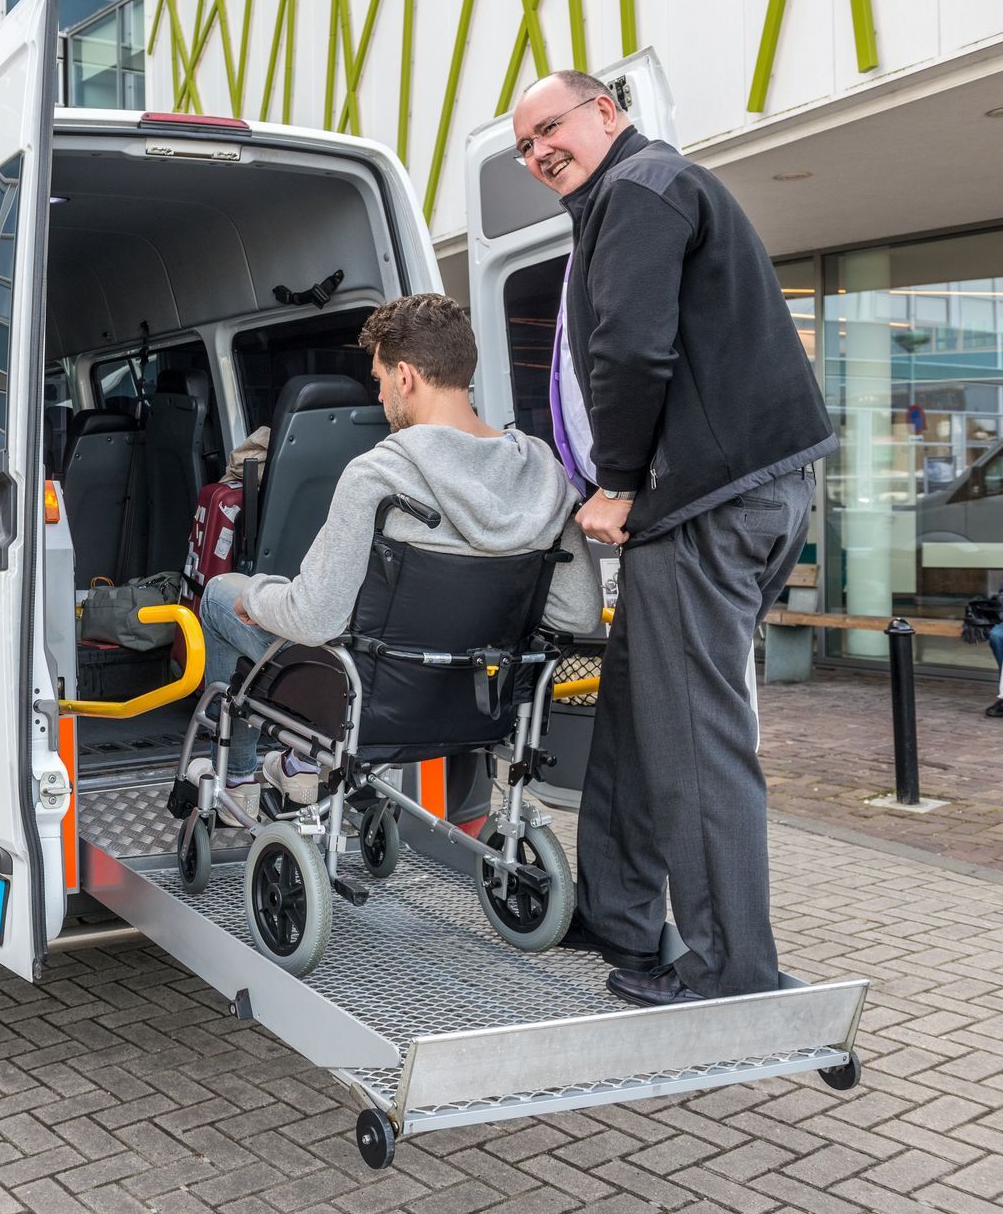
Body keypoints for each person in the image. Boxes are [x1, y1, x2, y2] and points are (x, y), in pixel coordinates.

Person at [511, 70, 836, 1006]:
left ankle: (731, 967)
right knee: (638, 710)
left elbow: (631, 347)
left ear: (607, 111)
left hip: (707, 505)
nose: (538, 154)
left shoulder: (641, 189)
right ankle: (615, 910)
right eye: (524, 146)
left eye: (550, 129)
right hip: (728, 498)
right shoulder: (632, 192)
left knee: (694, 736)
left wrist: (615, 484)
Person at [197, 292, 601, 812]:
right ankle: (298, 764)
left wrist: (256, 596)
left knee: (217, 595)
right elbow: (579, 611)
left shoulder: (378, 474)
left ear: (405, 376)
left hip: (372, 699)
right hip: (482, 699)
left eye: (380, 380)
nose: (382, 395)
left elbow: (315, 616)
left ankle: (235, 778)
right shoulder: (543, 472)